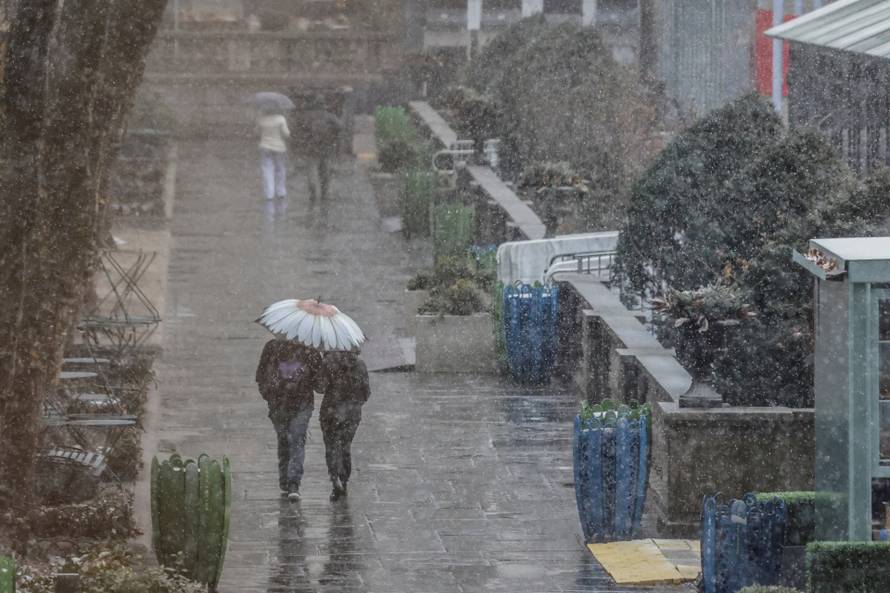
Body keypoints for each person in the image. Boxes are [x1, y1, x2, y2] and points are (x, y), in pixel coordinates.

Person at [255, 339, 321, 501]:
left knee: (297, 438)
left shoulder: (310, 352)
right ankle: (285, 479)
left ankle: (293, 483)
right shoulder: (271, 347)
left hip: (302, 404)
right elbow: (261, 375)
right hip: (279, 405)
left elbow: (320, 385)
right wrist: (270, 395)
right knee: (284, 439)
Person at [318, 349, 370, 501]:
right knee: (344, 446)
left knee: (331, 447)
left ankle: (335, 480)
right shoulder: (360, 364)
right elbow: (366, 392)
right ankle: (344, 480)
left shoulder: (328, 362)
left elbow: (320, 387)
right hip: (352, 414)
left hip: (330, 412)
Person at [293, 93, 342, 204]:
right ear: (324, 104)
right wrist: (332, 134)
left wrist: (305, 138)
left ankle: (313, 193)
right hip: (326, 147)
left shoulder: (308, 116)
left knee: (312, 170)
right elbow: (340, 126)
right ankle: (324, 193)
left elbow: (299, 127)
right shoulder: (329, 116)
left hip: (311, 148)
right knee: (325, 171)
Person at [257, 106, 290, 200]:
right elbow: (286, 133)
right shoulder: (281, 119)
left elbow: (257, 132)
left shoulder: (261, 119)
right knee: (280, 169)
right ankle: (281, 191)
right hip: (279, 147)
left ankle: (269, 193)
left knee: (267, 170)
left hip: (265, 147)